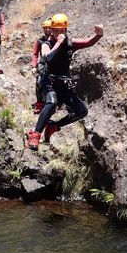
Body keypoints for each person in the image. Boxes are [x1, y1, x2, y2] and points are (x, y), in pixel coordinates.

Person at [26, 14, 104, 151]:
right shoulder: (46, 44)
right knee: (52, 102)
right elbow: (48, 58)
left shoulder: (70, 43)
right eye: (56, 30)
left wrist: (98, 35)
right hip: (48, 83)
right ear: (51, 30)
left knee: (82, 111)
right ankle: (35, 134)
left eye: (62, 31)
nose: (59, 33)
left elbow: (87, 42)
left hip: (63, 85)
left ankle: (54, 126)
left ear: (66, 30)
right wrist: (59, 43)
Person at [31, 19, 52, 114]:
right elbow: (35, 54)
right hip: (43, 65)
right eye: (45, 28)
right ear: (43, 29)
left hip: (53, 65)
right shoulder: (40, 41)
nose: (47, 29)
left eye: (49, 28)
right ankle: (40, 103)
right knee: (39, 83)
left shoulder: (55, 40)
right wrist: (34, 66)